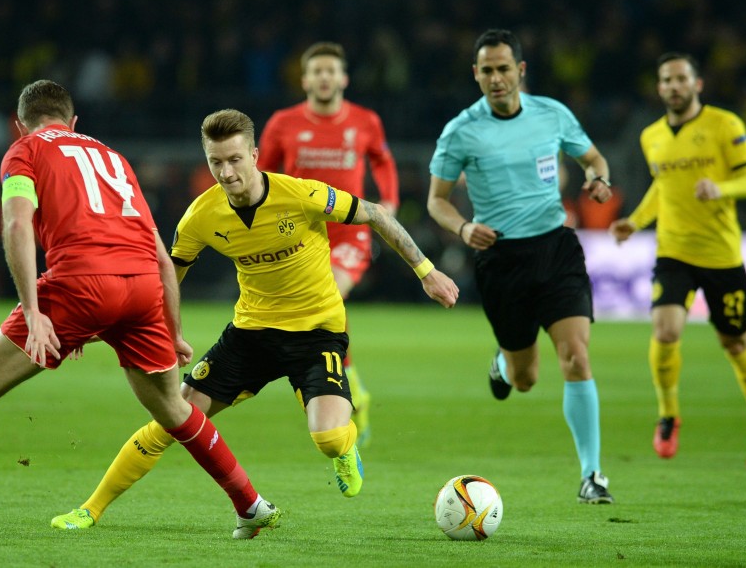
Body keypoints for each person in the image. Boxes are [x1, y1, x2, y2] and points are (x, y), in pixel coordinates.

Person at [0, 81, 281, 540]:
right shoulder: (114, 158)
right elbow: (162, 259)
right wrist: (173, 332)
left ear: (19, 125)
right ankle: (251, 504)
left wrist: (34, 311)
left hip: (78, 284)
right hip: (142, 290)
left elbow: (16, 224)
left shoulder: (24, 150)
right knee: (174, 408)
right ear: (73, 122)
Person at [51, 108, 458, 530]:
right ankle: (90, 510)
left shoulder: (301, 195)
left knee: (328, 438)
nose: (226, 172)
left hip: (316, 334)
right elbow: (165, 281)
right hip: (250, 336)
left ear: (255, 156)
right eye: (215, 162)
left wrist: (426, 271)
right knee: (171, 418)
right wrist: (108, 325)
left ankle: (345, 446)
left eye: (234, 160)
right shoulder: (201, 216)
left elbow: (374, 213)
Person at [426, 29, 616, 504]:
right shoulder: (461, 130)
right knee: (526, 378)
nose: (496, 78)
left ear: (520, 70)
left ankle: (592, 475)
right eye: (487, 70)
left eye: (504, 69)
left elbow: (594, 159)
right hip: (502, 259)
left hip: (556, 249)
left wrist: (598, 179)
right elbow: (436, 200)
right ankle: (504, 365)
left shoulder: (552, 113)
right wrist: (464, 229)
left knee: (575, 356)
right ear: (476, 74)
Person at [608, 53, 746, 469]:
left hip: (720, 255)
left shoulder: (725, 124)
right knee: (665, 331)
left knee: (735, 342)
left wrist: (720, 188)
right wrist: (635, 221)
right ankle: (668, 415)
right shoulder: (651, 136)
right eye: (666, 80)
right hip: (674, 252)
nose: (674, 86)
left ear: (697, 84)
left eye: (681, 79)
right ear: (659, 87)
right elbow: (663, 187)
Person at [256, 41, 399, 448]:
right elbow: (261, 172)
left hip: (349, 231)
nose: (324, 77)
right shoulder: (283, 123)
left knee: (330, 293)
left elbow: (383, 160)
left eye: (330, 70)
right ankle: (351, 383)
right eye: (316, 71)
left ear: (344, 78)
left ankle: (341, 388)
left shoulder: (365, 120)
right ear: (304, 80)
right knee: (313, 311)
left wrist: (388, 201)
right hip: (300, 233)